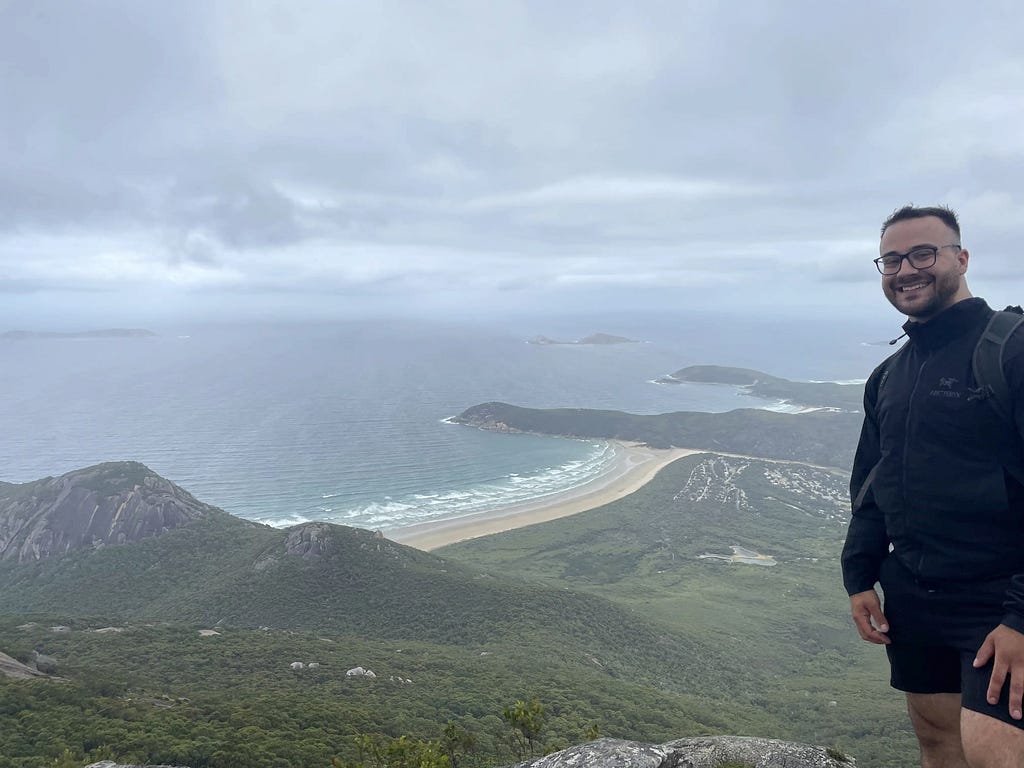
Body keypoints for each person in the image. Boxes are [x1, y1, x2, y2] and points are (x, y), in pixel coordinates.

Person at [842, 204, 1024, 768]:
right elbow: (875, 481)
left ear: (961, 258)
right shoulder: (890, 375)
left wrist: (1021, 617)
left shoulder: (1011, 351)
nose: (906, 269)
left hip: (1000, 597)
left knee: (996, 753)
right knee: (939, 746)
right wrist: (859, 574)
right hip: (916, 598)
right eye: (892, 259)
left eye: (924, 253)